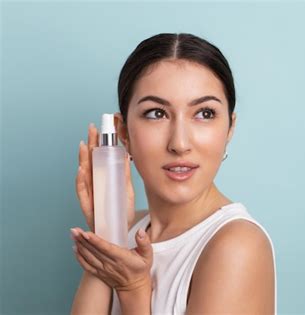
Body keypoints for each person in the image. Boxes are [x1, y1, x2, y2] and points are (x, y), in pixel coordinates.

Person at [70, 33, 276, 314]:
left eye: (204, 113)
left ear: (229, 128)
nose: (179, 143)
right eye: (156, 113)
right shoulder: (129, 229)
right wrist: (107, 237)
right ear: (122, 132)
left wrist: (134, 291)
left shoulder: (236, 246)